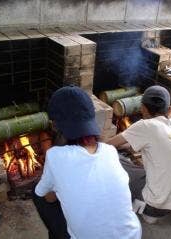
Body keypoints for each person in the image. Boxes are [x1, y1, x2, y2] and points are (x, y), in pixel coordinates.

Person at [33, 86, 141, 239]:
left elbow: (47, 196)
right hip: (132, 235)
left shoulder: (55, 156)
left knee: (37, 193)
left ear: (56, 125)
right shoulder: (109, 151)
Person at [108, 85, 171, 223]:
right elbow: (137, 143)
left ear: (142, 107)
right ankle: (151, 209)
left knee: (113, 159)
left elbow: (108, 145)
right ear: (170, 110)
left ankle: (140, 207)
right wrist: (126, 145)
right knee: (142, 168)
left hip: (153, 206)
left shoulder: (145, 125)